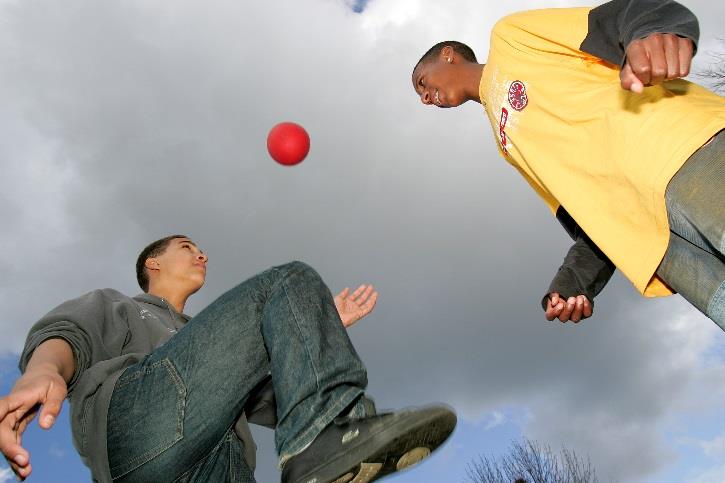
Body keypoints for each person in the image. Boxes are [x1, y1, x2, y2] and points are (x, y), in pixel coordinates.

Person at [0, 235, 456, 482]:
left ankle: (321, 442)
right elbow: (67, 333)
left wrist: (310, 327)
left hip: (221, 466)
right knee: (290, 279)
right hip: (139, 425)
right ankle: (321, 441)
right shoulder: (119, 304)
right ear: (153, 265)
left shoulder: (210, 346)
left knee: (290, 302)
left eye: (200, 249)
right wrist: (43, 370)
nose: (201, 253)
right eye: (185, 247)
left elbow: (279, 404)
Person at [411, 0, 725, 327]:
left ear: (448, 54)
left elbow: (617, 18)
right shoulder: (504, 141)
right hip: (662, 246)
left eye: (422, 82)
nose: (424, 97)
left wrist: (649, 32)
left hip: (683, 155)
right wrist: (573, 282)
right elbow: (587, 215)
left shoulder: (510, 37)